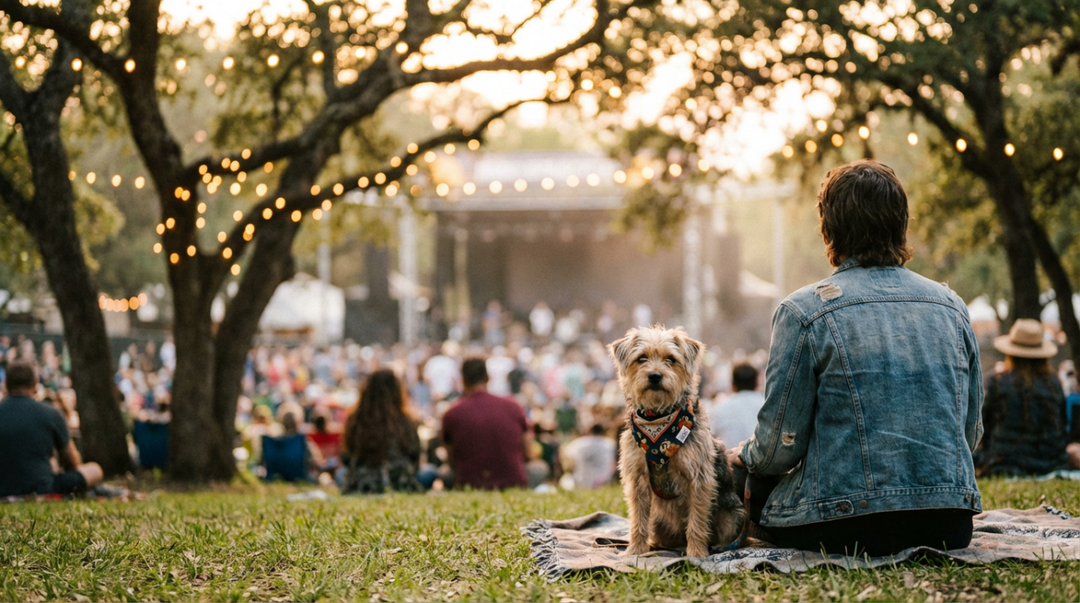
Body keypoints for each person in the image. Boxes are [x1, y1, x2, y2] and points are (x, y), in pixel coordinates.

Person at [727, 160, 983, 556]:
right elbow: (969, 434)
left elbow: (778, 449)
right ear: (901, 223)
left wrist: (740, 457)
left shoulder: (803, 311)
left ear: (828, 229)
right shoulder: (953, 306)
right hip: (948, 522)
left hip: (843, 524)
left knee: (738, 474)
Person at [974, 319, 1075, 476]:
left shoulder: (997, 381)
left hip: (1003, 461)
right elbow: (1061, 424)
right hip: (1050, 461)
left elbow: (983, 425)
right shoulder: (1053, 383)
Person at [0, 361, 103, 498]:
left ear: (6, 383)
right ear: (35, 383)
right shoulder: (51, 413)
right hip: (42, 488)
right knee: (95, 470)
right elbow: (72, 463)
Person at [441, 357, 530, 490]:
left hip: (469, 485)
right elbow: (527, 451)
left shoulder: (452, 413)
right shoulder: (514, 406)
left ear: (463, 381)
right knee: (538, 468)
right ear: (488, 377)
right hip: (514, 483)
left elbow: (450, 457)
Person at [340, 369, 423, 494]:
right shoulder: (406, 422)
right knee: (429, 473)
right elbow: (415, 456)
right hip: (400, 483)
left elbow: (346, 457)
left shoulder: (355, 420)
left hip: (360, 484)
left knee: (340, 474)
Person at [708, 363, 766, 448]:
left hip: (729, 459)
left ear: (732, 385)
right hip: (762, 460)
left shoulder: (719, 409)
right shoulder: (766, 406)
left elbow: (710, 439)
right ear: (756, 383)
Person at [560, 423, 616, 489]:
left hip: (581, 482)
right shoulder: (610, 444)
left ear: (590, 431)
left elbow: (564, 453)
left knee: (565, 480)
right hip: (604, 483)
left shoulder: (580, 442)